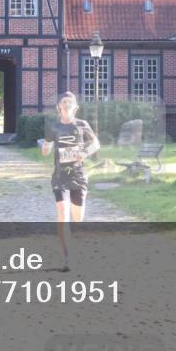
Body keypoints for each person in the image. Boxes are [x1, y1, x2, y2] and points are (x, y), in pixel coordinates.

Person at [40, 92, 99, 271]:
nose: (66, 105)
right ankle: (67, 257)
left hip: (78, 177)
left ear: (75, 108)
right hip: (60, 178)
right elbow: (46, 149)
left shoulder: (82, 125)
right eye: (63, 103)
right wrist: (45, 147)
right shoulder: (54, 128)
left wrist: (85, 153)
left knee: (77, 218)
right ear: (59, 107)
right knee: (63, 213)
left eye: (69, 103)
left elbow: (96, 144)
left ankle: (73, 244)